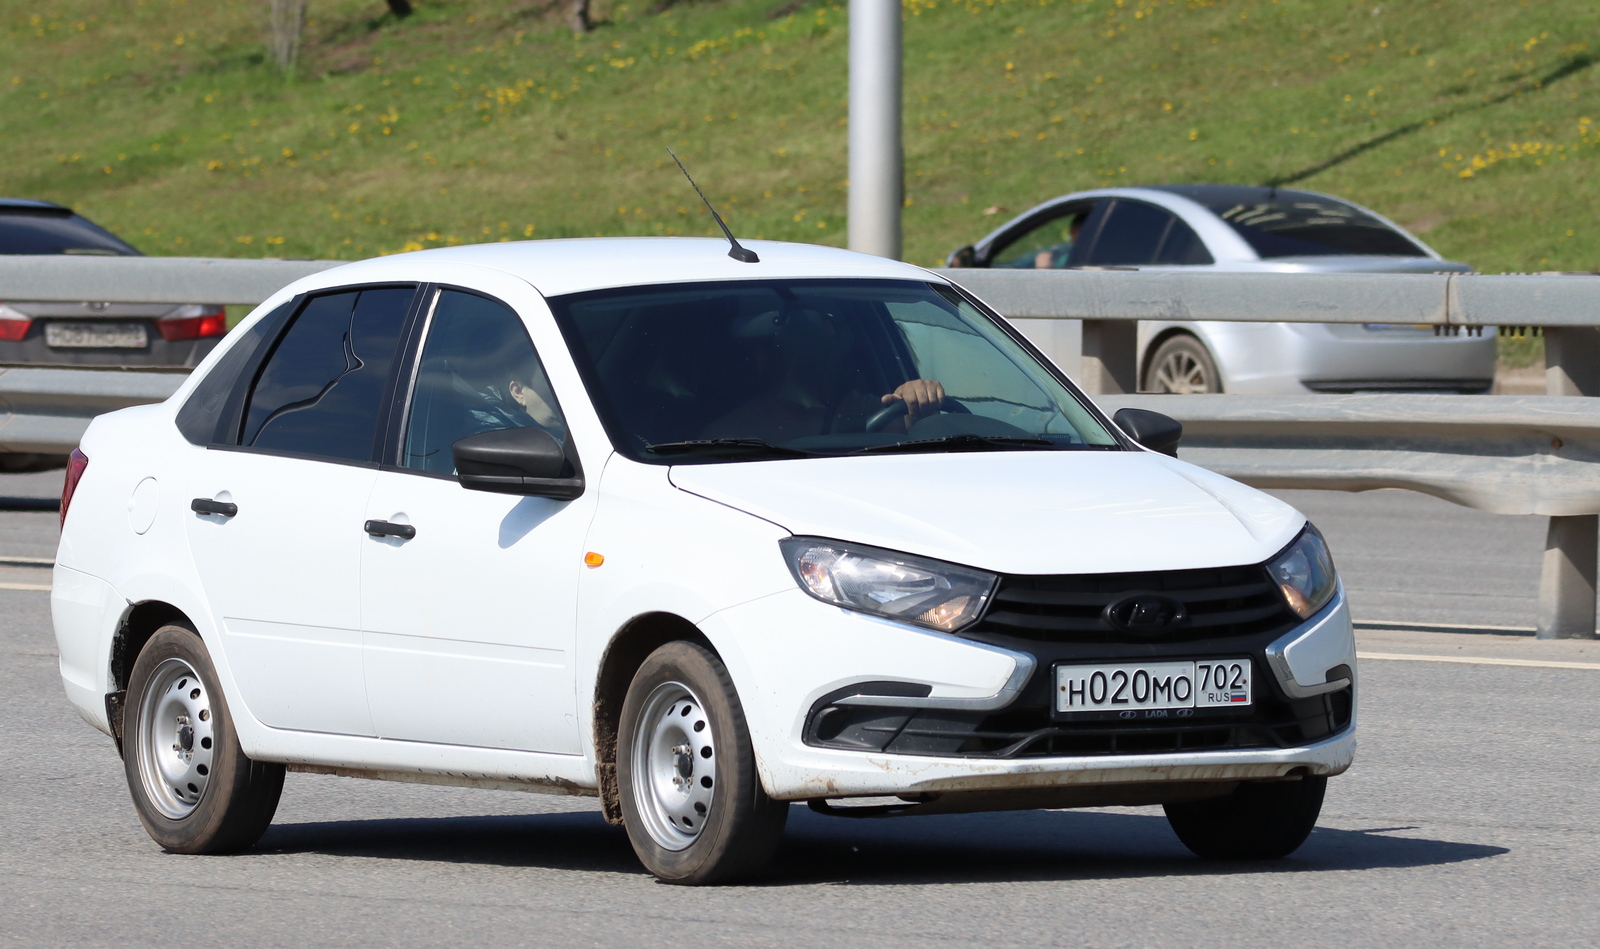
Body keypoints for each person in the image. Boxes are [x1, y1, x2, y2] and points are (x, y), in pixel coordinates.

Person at [700, 305, 943, 441]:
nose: (815, 366)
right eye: (798, 356)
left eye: (823, 355)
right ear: (765, 362)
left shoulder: (864, 409)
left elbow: (907, 434)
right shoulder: (729, 435)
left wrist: (915, 400)